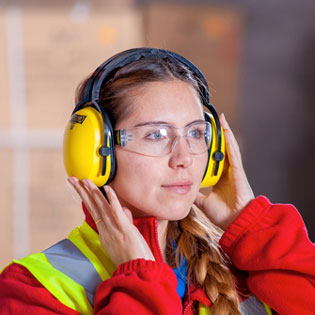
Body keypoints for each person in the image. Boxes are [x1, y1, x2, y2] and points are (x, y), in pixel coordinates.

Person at [0, 48, 314, 315]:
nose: (184, 157)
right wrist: (139, 281)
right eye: (157, 134)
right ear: (95, 151)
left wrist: (255, 229)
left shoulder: (247, 273)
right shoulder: (31, 289)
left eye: (195, 133)